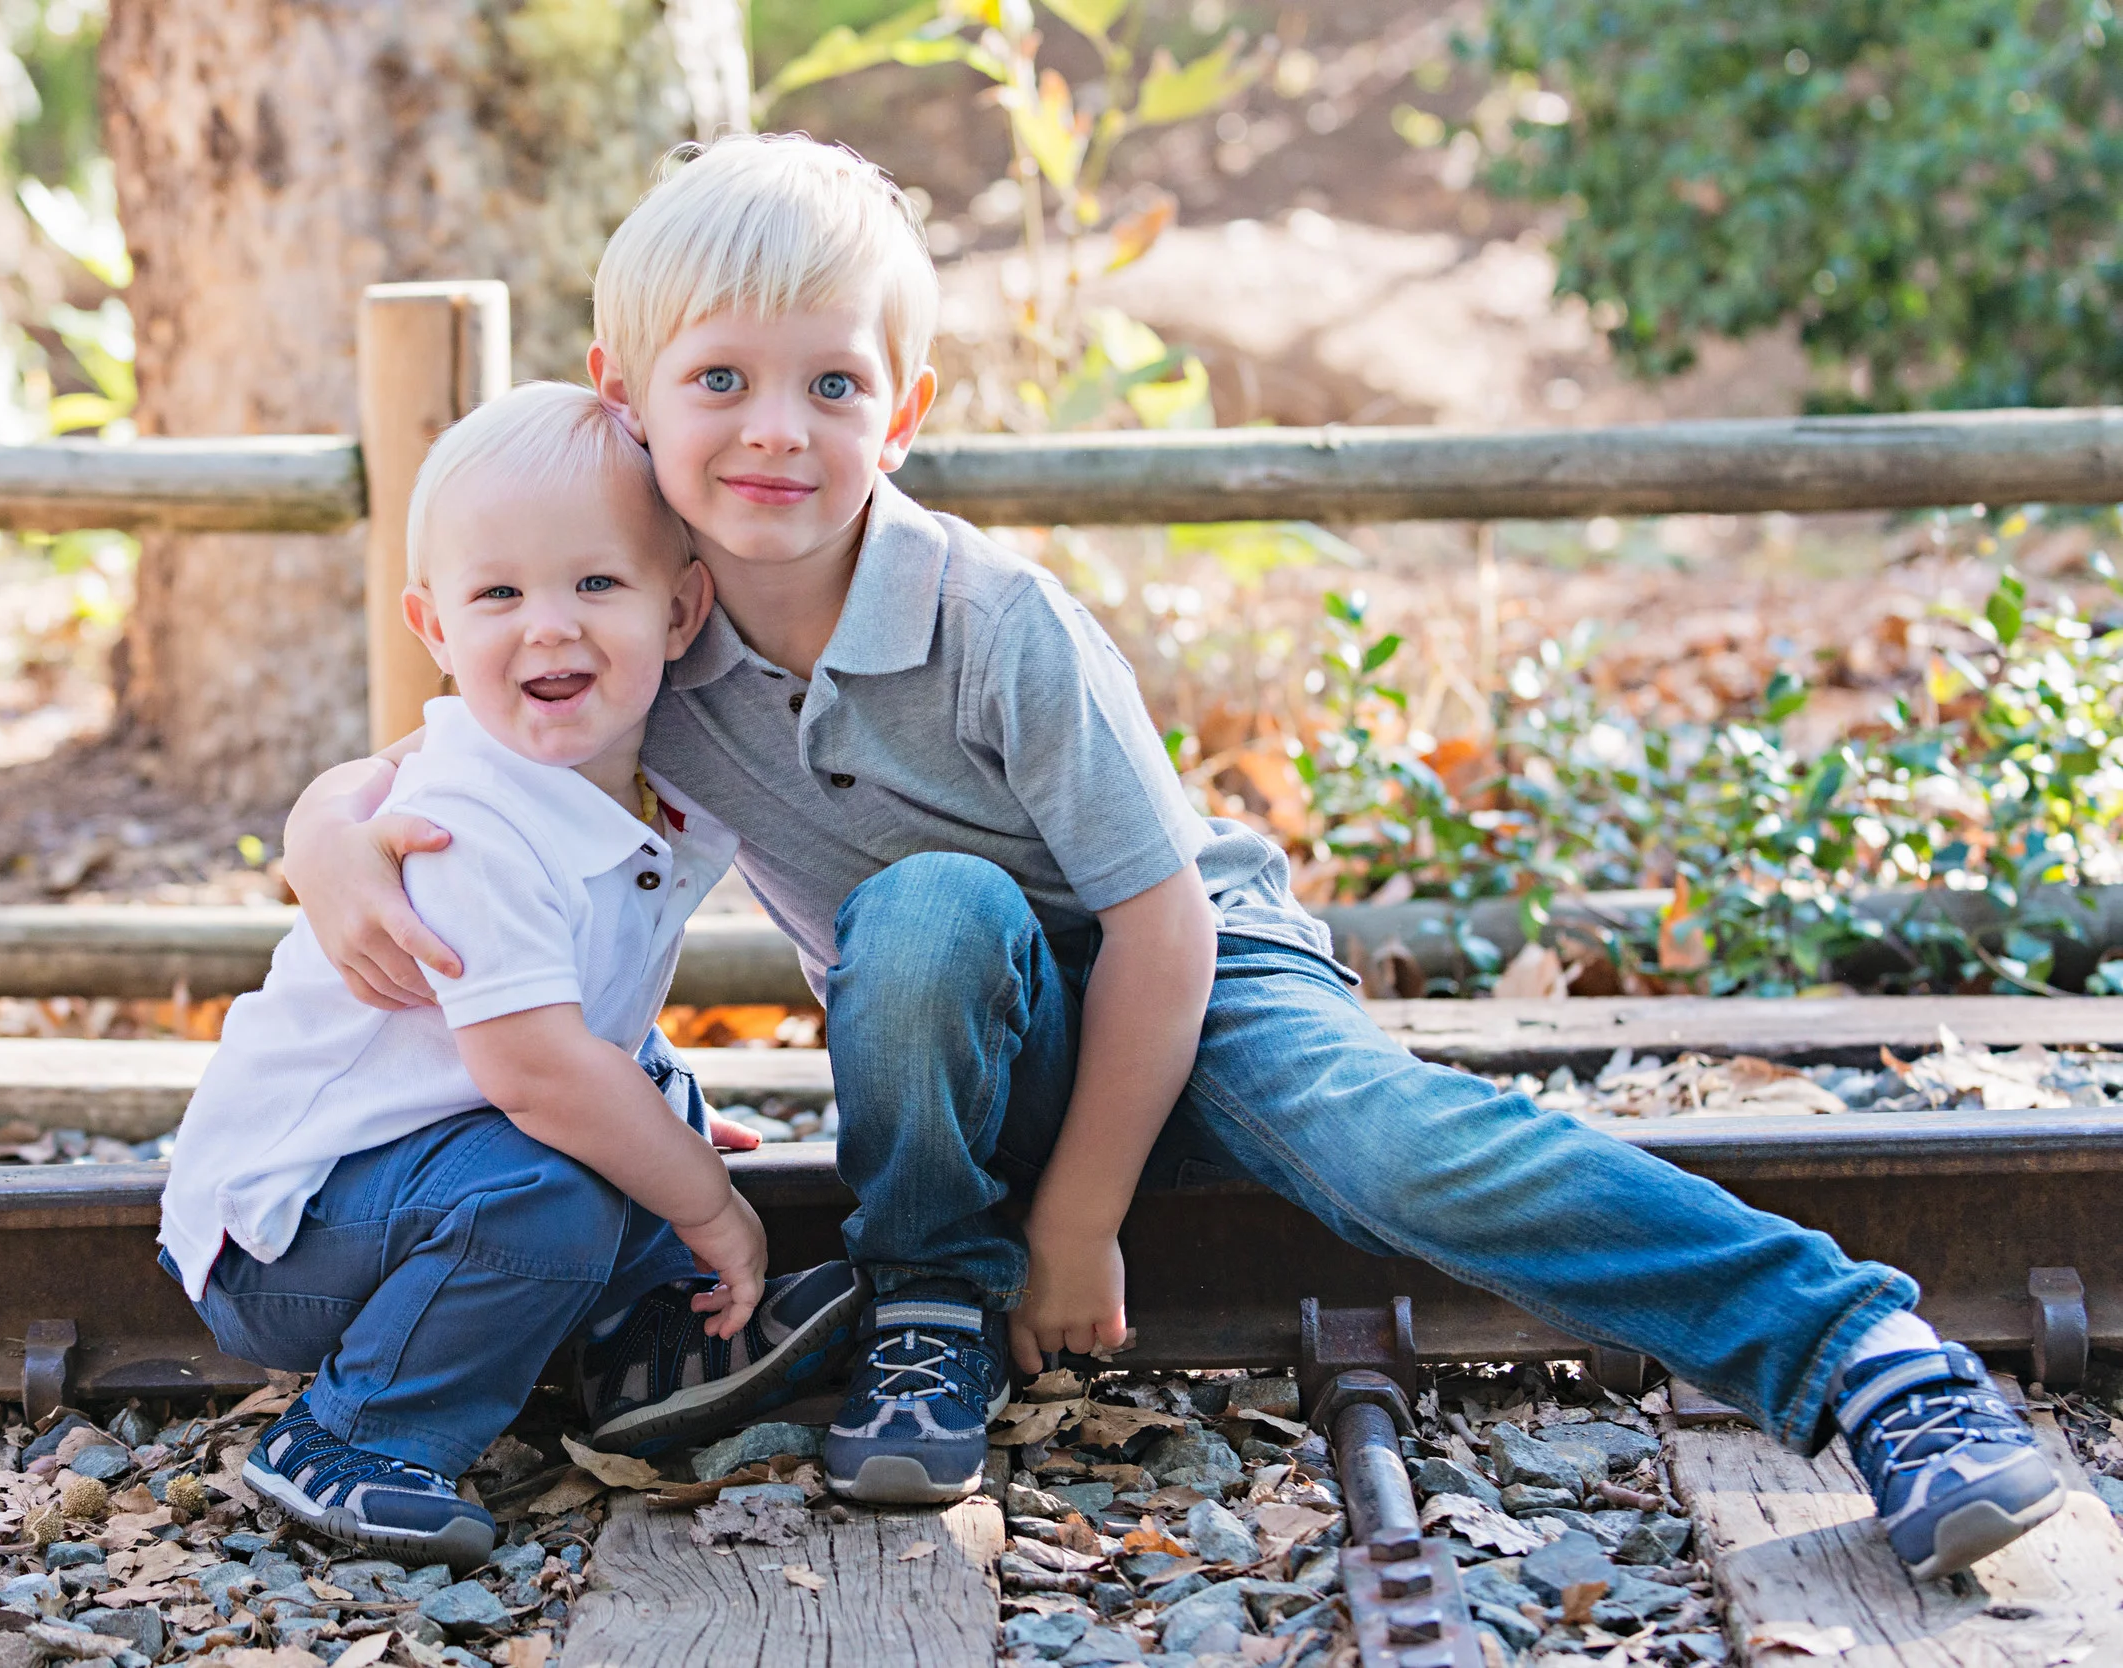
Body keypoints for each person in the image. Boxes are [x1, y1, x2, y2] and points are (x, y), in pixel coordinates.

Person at [279, 137, 2062, 1579]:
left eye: (831, 381)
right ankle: (930, 1312)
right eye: (721, 379)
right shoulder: (648, 639)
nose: (773, 428)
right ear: (629, 396)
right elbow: (441, 745)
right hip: (974, 1029)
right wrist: (330, 847)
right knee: (928, 918)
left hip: (1203, 982)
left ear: (899, 409)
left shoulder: (995, 619)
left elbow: (1155, 922)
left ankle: (1867, 1360)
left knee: (1394, 1140)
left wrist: (1079, 1216)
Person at [157, 380, 865, 1569]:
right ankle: (349, 1436)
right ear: (433, 629)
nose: (548, 627)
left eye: (596, 584)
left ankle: (630, 1349)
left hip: (425, 1159)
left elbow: (572, 1040)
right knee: (561, 1174)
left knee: (643, 1096)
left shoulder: (645, 782)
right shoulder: (463, 828)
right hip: (285, 1242)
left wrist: (665, 1123)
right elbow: (534, 1073)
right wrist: (704, 1203)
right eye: (499, 594)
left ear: (681, 607)